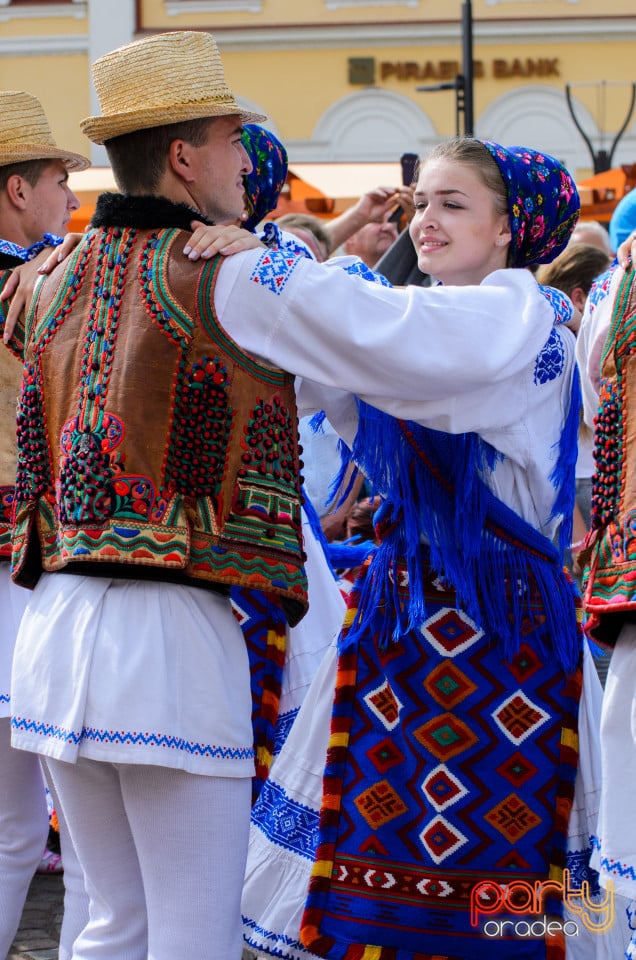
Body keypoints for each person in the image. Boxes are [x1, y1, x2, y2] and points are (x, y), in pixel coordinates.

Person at [0, 32, 587, 960]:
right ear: (188, 157)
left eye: (450, 204)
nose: (251, 162)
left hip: (54, 637)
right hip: (168, 652)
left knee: (110, 924)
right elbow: (389, 337)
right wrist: (275, 260)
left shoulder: (43, 273)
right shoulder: (232, 272)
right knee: (189, 935)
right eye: (237, 141)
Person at [238, 139, 620, 960]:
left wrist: (266, 261)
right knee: (378, 836)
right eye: (421, 203)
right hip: (401, 625)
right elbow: (320, 363)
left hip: (504, 634)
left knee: (503, 860)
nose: (426, 221)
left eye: (453, 204)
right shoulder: (412, 320)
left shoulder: (523, 323)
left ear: (511, 228)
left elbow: (388, 347)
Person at [0, 89, 90, 960]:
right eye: (60, 179)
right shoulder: (50, 282)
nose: (69, 196)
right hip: (30, 579)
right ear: (20, 189)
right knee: (41, 832)